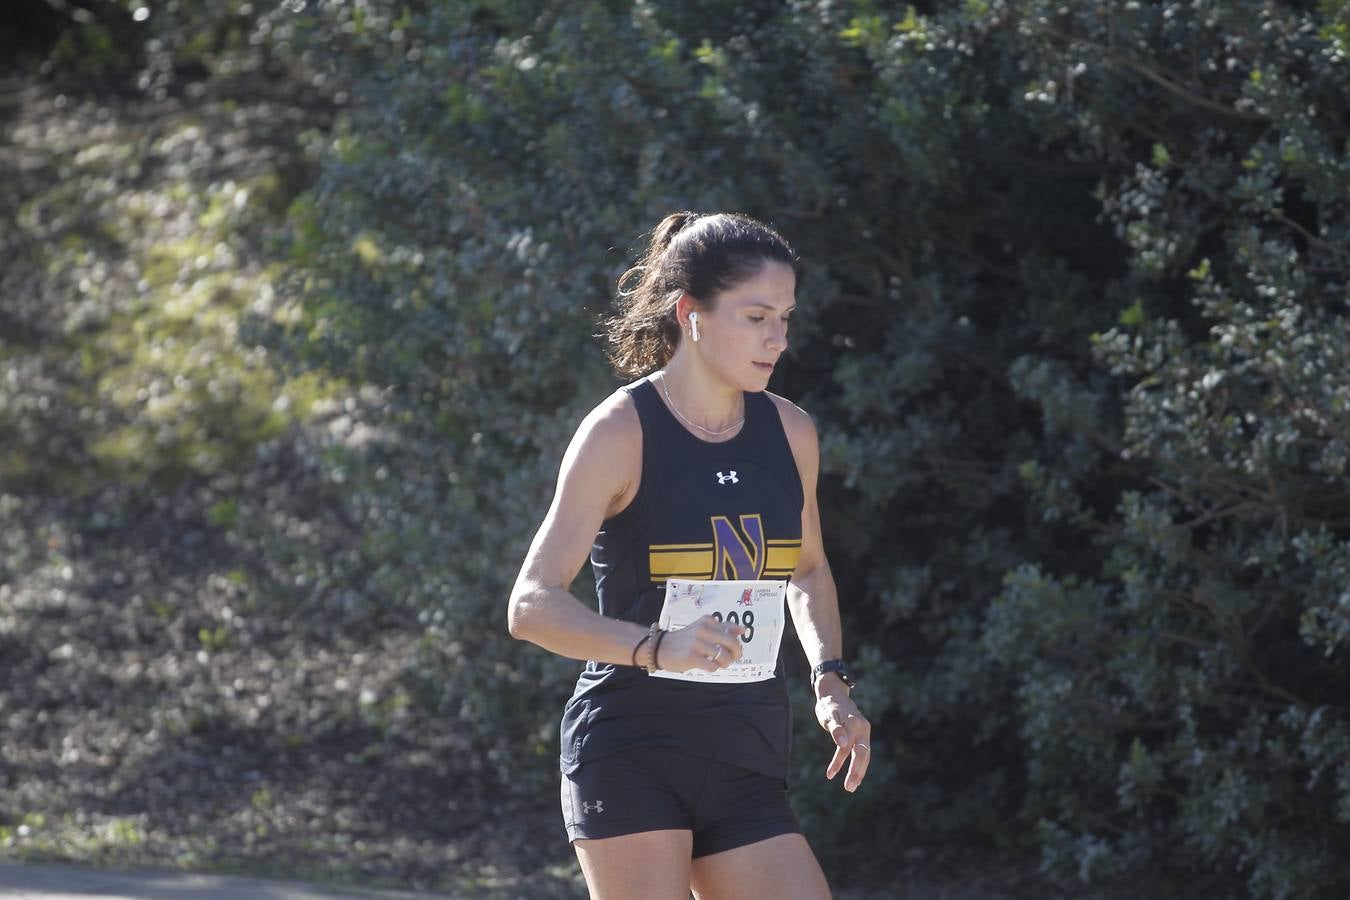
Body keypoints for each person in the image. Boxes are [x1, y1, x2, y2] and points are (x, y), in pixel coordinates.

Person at [507, 212, 870, 899]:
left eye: (786, 318)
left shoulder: (790, 432)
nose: (778, 339)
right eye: (757, 316)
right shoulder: (620, 431)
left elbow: (810, 568)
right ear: (691, 314)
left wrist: (831, 681)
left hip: (745, 755)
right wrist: (657, 647)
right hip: (632, 750)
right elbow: (530, 605)